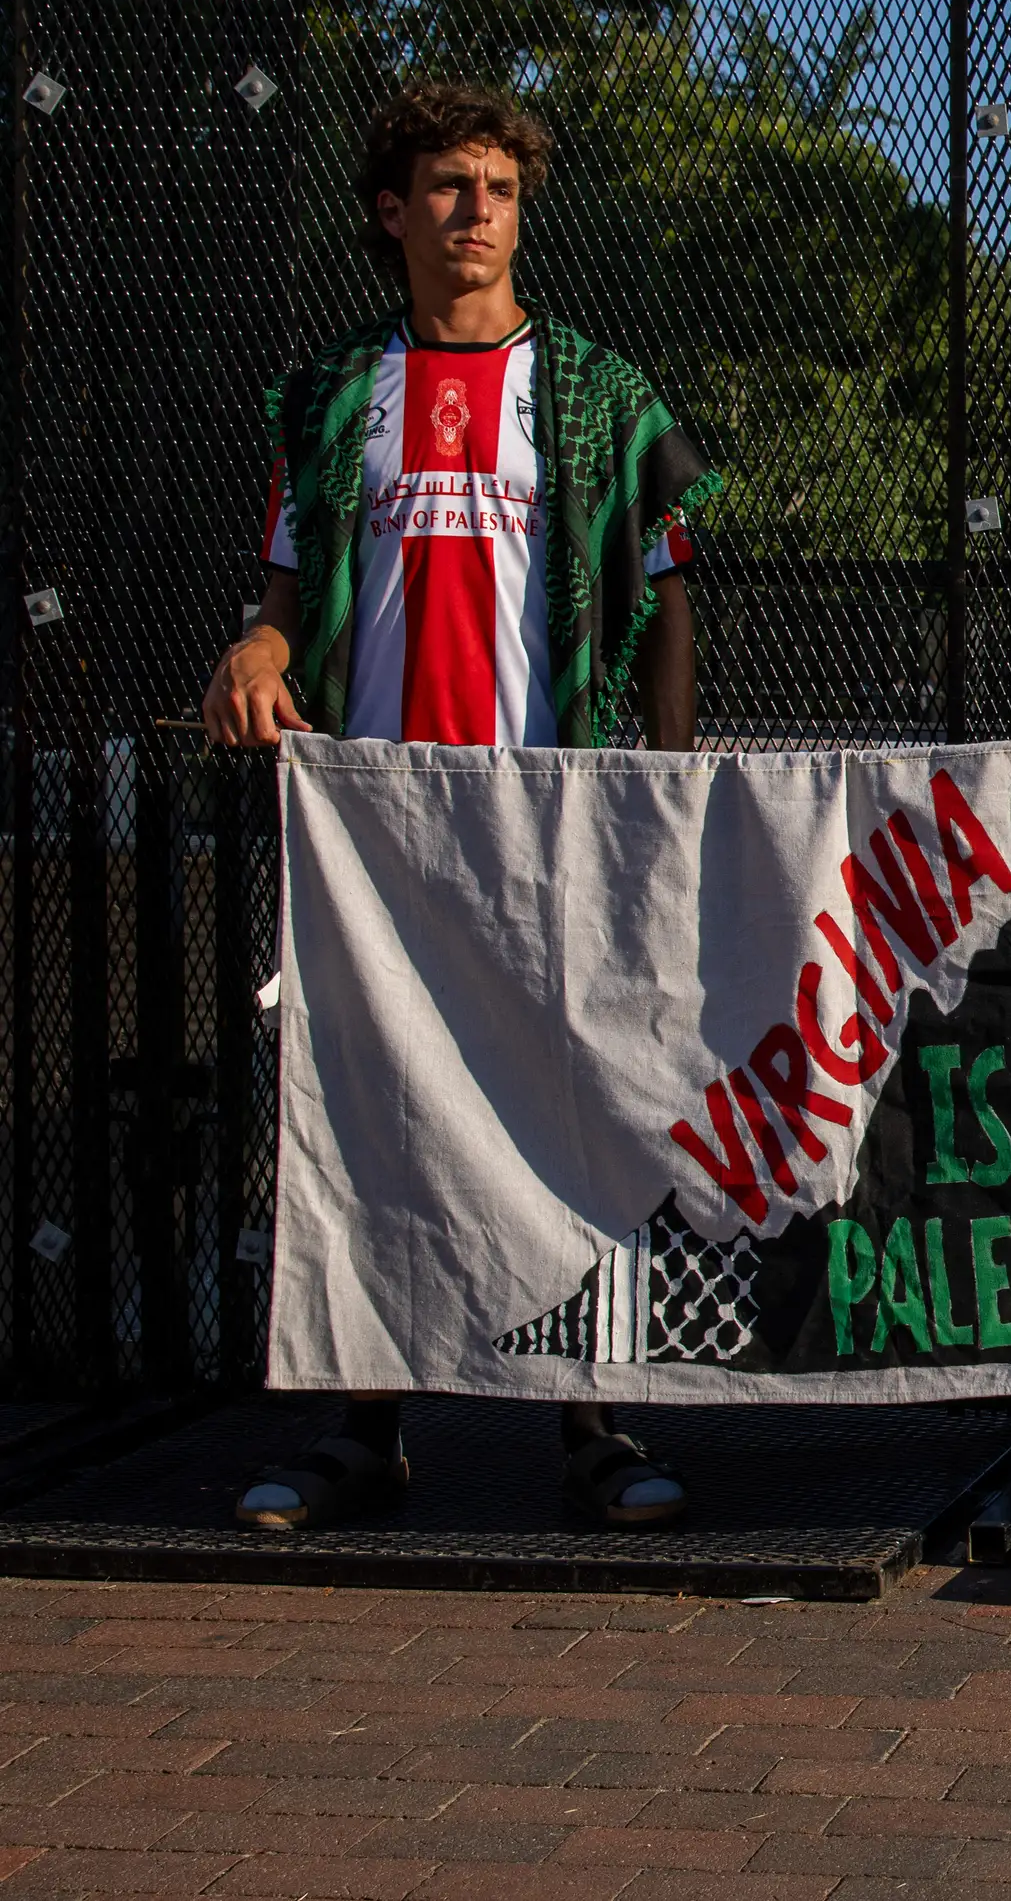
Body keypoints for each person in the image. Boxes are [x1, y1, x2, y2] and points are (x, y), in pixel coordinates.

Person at [203, 79, 712, 1531]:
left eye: (497, 187)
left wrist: (658, 798)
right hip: (376, 827)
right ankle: (364, 1430)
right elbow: (292, 596)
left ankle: (598, 1426)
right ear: (392, 211)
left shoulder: (601, 391)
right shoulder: (332, 397)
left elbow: (666, 601)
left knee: (584, 1110)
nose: (476, 211)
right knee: (362, 1115)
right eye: (445, 187)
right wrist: (257, 641)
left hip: (553, 812)